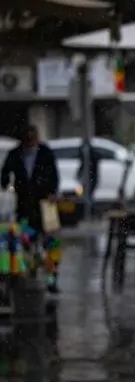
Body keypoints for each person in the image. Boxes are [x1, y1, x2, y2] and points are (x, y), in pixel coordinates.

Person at [0, 125, 61, 293]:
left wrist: (52, 192)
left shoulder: (45, 153)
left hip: (45, 204)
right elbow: (5, 176)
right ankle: (26, 273)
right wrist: (8, 183)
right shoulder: (16, 154)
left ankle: (52, 279)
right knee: (25, 240)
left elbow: (54, 175)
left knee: (52, 243)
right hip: (25, 206)